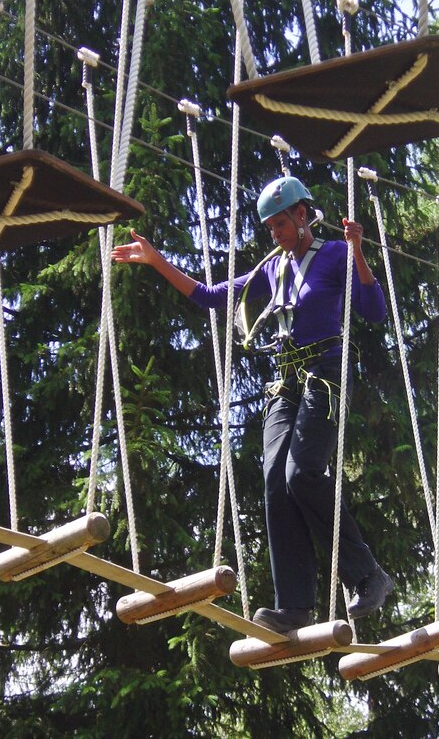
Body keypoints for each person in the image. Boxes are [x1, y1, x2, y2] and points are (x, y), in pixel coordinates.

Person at [112, 176, 393, 633]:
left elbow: (374, 310)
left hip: (325, 373)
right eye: (269, 228)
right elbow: (210, 296)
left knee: (302, 474)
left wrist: (358, 250)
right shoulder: (272, 268)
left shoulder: (335, 255)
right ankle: (295, 607)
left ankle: (368, 576)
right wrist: (155, 260)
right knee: (276, 484)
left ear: (302, 215)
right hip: (286, 382)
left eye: (280, 224)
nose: (276, 234)